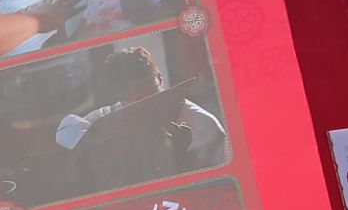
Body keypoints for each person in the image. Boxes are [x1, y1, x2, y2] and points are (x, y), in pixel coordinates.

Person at [55, 46, 227, 169]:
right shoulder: (110, 116)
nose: (139, 100)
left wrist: (181, 156)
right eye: (128, 95)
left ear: (160, 79)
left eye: (146, 88)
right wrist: (108, 139)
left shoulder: (204, 124)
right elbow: (66, 131)